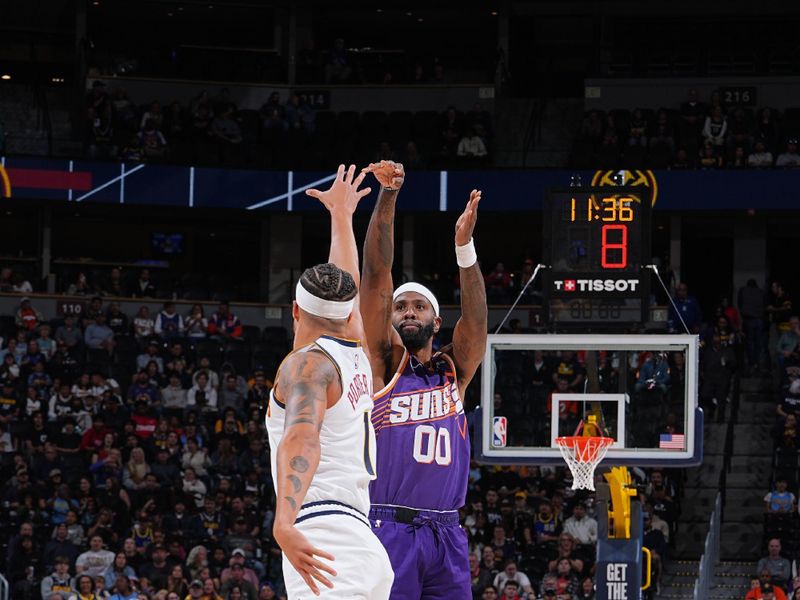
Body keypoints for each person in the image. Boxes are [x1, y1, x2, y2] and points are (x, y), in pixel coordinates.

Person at [360, 160, 488, 598]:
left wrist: (464, 248)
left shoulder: (454, 372)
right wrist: (389, 195)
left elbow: (476, 320)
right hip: (388, 525)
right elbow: (376, 275)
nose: (408, 311)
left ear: (437, 322)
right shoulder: (380, 365)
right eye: (400, 307)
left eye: (419, 306)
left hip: (448, 533)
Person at [266, 164, 393, 597]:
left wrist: (283, 522)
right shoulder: (354, 350)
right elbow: (348, 285)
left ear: (295, 311)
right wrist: (341, 217)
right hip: (361, 539)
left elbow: (302, 437)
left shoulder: (307, 366)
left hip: (325, 534)